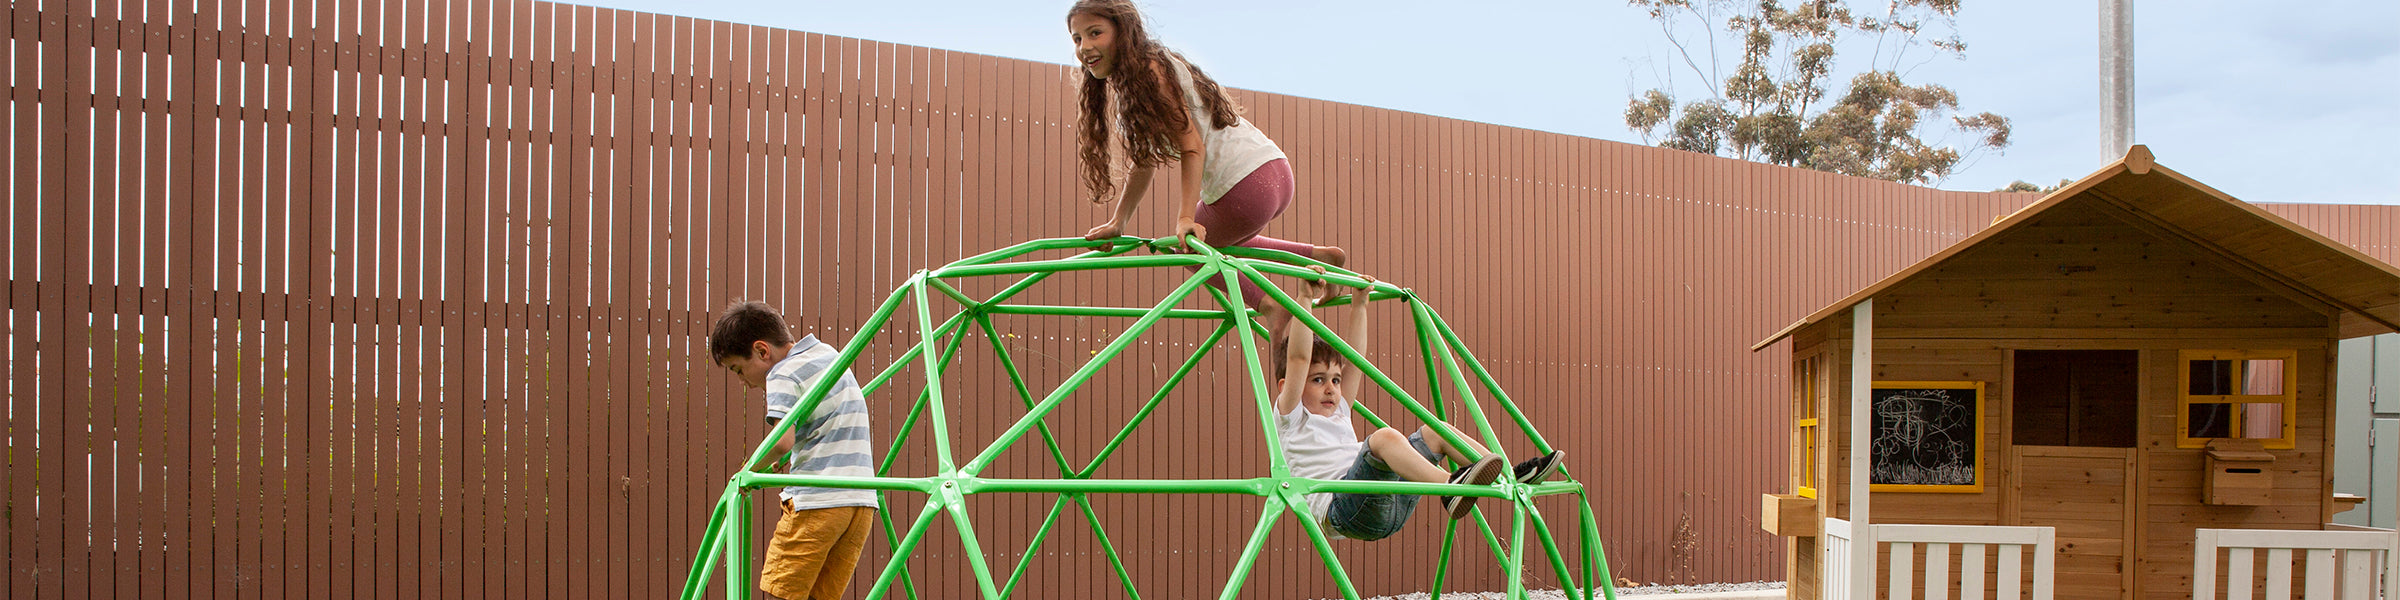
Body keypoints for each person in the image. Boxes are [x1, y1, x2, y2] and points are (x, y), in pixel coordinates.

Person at [1067, 0, 1348, 319]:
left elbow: (1192, 146)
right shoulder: (1143, 74)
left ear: (1124, 32)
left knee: (1188, 249)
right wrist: (1118, 222)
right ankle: (1318, 256)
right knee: (1218, 240)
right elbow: (1144, 161)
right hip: (1274, 170)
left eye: (1095, 33)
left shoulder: (1150, 71)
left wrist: (1186, 218)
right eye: (1077, 38)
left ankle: (1272, 308)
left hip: (1245, 185)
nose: (1084, 46)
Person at [1273, 271, 1565, 541]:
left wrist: (1360, 306)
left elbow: (1355, 360)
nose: (1331, 388)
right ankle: (1449, 487)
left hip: (1389, 500)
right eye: (1318, 380)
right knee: (1384, 438)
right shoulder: (1292, 416)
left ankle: (1509, 475)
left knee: (1437, 431)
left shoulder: (1338, 410)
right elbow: (1299, 358)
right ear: (1288, 387)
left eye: (1335, 380)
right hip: (1345, 510)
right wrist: (1304, 299)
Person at [710, 301, 878, 600]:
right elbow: (826, 419)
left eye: (739, 369)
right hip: (860, 502)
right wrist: (790, 453)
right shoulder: (828, 354)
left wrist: (749, 469)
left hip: (817, 501)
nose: (743, 382)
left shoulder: (782, 374)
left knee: (783, 592)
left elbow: (780, 441)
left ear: (762, 351)